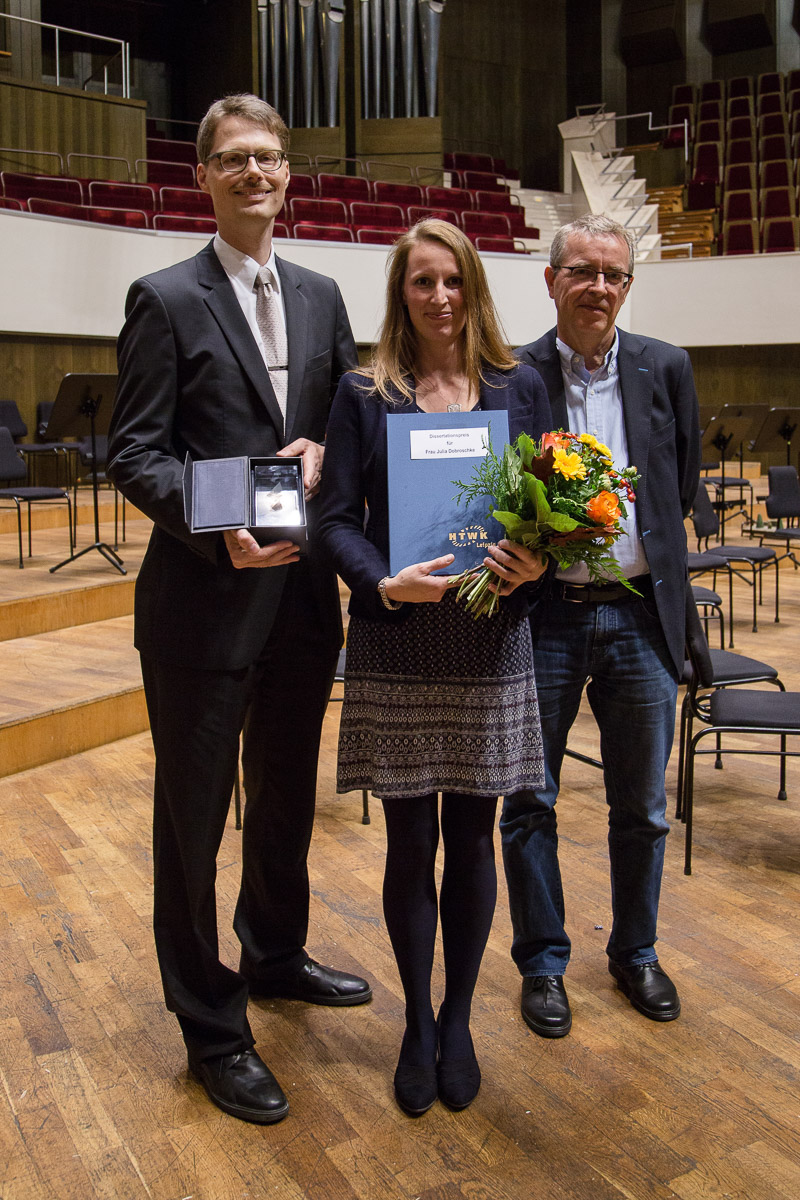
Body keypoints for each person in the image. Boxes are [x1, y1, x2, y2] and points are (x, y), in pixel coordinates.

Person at [107, 94, 370, 1126]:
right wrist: (211, 518)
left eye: (269, 157)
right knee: (191, 824)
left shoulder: (320, 294)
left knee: (285, 800)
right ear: (204, 177)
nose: (255, 173)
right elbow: (133, 453)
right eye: (233, 160)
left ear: (287, 172)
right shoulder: (164, 296)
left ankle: (272, 954)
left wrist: (323, 451)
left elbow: (341, 423)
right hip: (201, 606)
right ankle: (211, 1026)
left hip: (300, 602)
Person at [317, 219, 552, 1116]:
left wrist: (536, 559)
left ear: (474, 286)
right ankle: (416, 1018)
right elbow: (336, 519)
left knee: (473, 836)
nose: (440, 298)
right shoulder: (363, 392)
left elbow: (548, 510)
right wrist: (381, 581)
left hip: (491, 641)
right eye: (422, 283)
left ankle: (459, 1019)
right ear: (401, 293)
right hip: (400, 638)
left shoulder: (518, 385)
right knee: (411, 841)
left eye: (453, 280)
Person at [500, 213, 701, 1038]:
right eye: (581, 272)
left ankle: (636, 952)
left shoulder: (667, 367)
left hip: (641, 617)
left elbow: (677, 486)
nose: (598, 288)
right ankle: (543, 964)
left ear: (628, 285)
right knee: (529, 801)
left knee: (643, 809)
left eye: (613, 275)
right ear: (551, 281)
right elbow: (501, 490)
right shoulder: (513, 373)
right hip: (545, 616)